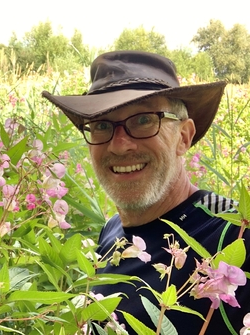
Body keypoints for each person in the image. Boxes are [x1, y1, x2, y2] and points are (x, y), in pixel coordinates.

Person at [42, 50, 250, 335]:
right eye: (102, 125)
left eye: (143, 120)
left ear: (184, 137)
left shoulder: (236, 233)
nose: (119, 145)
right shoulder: (111, 233)